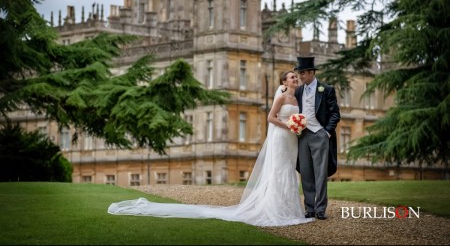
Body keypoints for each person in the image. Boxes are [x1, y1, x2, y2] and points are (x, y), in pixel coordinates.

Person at [107, 71, 313, 227]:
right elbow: (270, 118)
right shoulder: (281, 97)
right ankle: (276, 210)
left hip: (291, 139)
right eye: (292, 77)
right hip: (281, 137)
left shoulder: (296, 98)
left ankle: (291, 210)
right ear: (284, 82)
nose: (295, 79)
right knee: (278, 172)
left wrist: (298, 126)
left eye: (296, 77)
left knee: (288, 171)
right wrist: (289, 125)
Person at [294, 56, 340, 220]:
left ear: (312, 72)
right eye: (299, 73)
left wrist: (326, 132)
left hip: (320, 134)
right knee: (305, 173)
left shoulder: (326, 89)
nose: (300, 76)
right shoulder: (298, 91)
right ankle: (309, 209)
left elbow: (335, 114)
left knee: (320, 173)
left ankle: (320, 209)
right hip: (303, 135)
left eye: (303, 73)